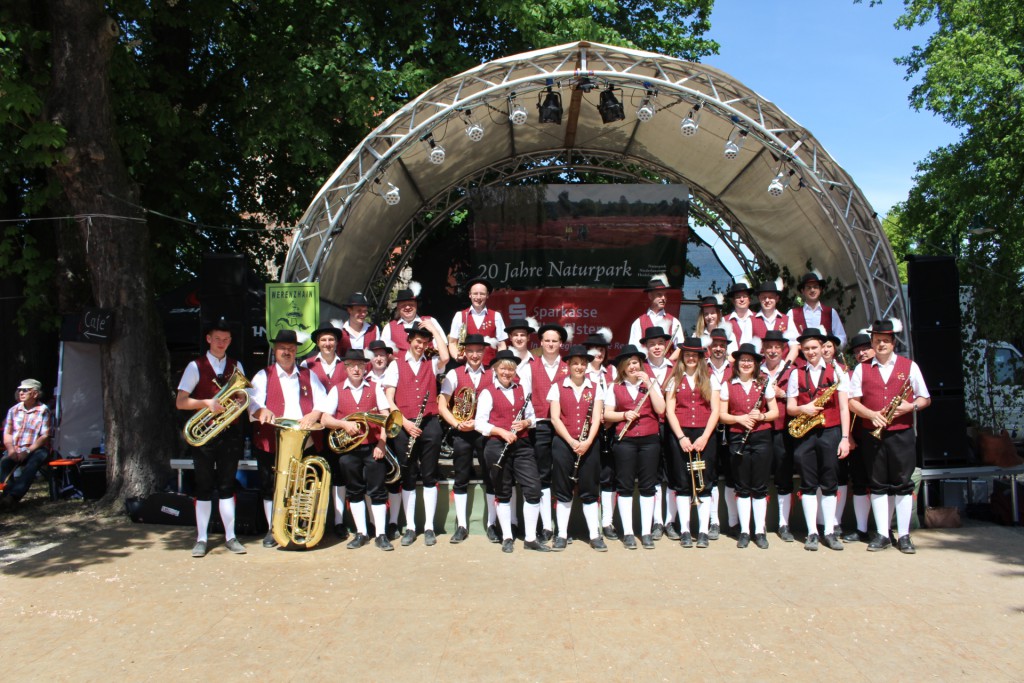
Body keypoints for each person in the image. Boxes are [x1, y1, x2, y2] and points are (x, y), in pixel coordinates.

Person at [849, 318, 930, 553]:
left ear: (893, 342)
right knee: (878, 484)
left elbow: (925, 398)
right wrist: (871, 414)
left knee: (903, 484)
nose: (881, 344)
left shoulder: (909, 366)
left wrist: (910, 407)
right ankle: (883, 534)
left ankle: (904, 535)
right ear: (872, 343)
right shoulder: (861, 369)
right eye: (877, 341)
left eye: (885, 340)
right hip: (872, 434)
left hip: (901, 433)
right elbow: (853, 402)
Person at [248, 329, 328, 548]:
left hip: (303, 440)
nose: (287, 352)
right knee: (271, 487)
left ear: (296, 351)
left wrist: (314, 414)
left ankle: (298, 525)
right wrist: (261, 410)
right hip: (272, 440)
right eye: (283, 348)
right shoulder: (264, 375)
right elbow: (251, 401)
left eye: (291, 349)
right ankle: (273, 528)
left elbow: (324, 400)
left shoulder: (308, 374)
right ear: (275, 350)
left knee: (302, 487)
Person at [175, 318, 247, 557]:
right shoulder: (195, 366)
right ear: (208, 339)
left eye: (226, 340)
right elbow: (181, 402)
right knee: (204, 486)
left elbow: (243, 397)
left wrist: (237, 400)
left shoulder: (236, 366)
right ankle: (202, 538)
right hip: (205, 434)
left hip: (229, 434)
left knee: (227, 485)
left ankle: (231, 536)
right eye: (217, 339)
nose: (221, 343)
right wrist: (206, 403)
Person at [320, 350, 393, 551]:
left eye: (360, 365)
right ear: (345, 368)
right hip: (349, 450)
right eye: (351, 365)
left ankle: (381, 534)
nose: (356, 369)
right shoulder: (336, 390)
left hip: (373, 448)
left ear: (365, 367)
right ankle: (361, 533)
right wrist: (343, 425)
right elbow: (325, 419)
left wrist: (382, 444)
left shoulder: (376, 388)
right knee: (354, 491)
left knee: (377, 492)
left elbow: (387, 418)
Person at [476, 350, 547, 553]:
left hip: (522, 445)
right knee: (503, 491)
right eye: (503, 368)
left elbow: (533, 417)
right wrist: (500, 431)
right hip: (497, 445)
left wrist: (525, 422)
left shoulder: (522, 389)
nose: (507, 372)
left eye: (510, 368)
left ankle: (531, 537)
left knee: (533, 489)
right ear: (495, 369)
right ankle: (507, 536)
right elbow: (480, 423)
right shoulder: (488, 392)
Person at [787, 328, 851, 551]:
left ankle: (830, 531)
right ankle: (812, 532)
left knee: (830, 483)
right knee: (808, 484)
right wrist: (804, 408)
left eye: (815, 347)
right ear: (802, 351)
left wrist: (845, 438)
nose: (811, 352)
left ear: (823, 348)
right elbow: (790, 407)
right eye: (806, 349)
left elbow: (844, 407)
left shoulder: (838, 371)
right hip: (806, 432)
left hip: (830, 431)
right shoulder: (796, 373)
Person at [382, 321, 444, 547]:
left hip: (430, 424)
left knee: (429, 475)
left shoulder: (433, 362)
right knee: (408, 476)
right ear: (409, 341)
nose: (421, 345)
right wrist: (405, 423)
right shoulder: (396, 365)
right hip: (404, 424)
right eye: (418, 341)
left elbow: (445, 356)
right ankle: (410, 527)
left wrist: (434, 329)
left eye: (425, 342)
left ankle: (428, 527)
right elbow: (389, 399)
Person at [604, 344, 666, 549]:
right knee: (625, 485)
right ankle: (628, 532)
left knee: (648, 485)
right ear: (622, 366)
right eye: (629, 363)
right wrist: (624, 415)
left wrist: (649, 384)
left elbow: (661, 408)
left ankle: (646, 532)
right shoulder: (614, 386)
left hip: (650, 440)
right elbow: (607, 415)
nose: (632, 367)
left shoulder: (649, 383)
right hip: (625, 441)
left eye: (635, 363)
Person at [718, 341, 779, 549]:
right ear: (737, 363)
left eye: (749, 360)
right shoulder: (728, 385)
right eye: (742, 360)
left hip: (761, 437)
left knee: (760, 486)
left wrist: (761, 415)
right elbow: (722, 415)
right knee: (742, 486)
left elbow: (775, 412)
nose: (746, 363)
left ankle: (760, 531)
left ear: (755, 363)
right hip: (737, 437)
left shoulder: (764, 382)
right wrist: (740, 419)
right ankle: (744, 530)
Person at [548, 345, 606, 551]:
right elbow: (555, 418)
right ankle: (562, 534)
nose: (579, 367)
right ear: (568, 365)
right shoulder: (557, 386)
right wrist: (572, 442)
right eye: (575, 363)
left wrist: (588, 441)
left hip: (589, 444)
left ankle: (595, 535)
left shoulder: (596, 386)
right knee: (563, 488)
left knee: (590, 488)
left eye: (583, 363)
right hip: (564, 444)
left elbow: (597, 418)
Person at [438, 333, 494, 543]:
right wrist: (457, 423)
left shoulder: (493, 373)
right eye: (470, 351)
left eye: (478, 351)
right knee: (461, 477)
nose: (474, 355)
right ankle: (461, 525)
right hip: (461, 432)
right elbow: (442, 405)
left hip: (483, 432)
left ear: (484, 352)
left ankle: (491, 524)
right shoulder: (454, 373)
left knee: (490, 476)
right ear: (464, 353)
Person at [664, 337, 720, 548]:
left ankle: (703, 531)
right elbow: (670, 410)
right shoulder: (674, 379)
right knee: (682, 482)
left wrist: (705, 437)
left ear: (700, 357)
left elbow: (715, 410)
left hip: (704, 434)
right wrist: (680, 437)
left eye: (694, 354)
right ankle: (685, 529)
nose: (690, 357)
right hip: (681, 434)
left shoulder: (710, 378)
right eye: (687, 354)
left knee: (703, 482)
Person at [303, 320, 349, 540]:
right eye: (323, 340)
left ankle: (339, 521)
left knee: (339, 476)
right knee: (314, 475)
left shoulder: (346, 365)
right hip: (315, 431)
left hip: (340, 429)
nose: (328, 343)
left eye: (331, 339)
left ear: (337, 342)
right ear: (318, 343)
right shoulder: (307, 365)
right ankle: (313, 520)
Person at [529, 322, 570, 542]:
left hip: (564, 426)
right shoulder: (530, 365)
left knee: (562, 474)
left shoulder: (569, 367)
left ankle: (564, 528)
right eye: (547, 340)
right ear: (541, 342)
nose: (551, 344)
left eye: (555, 341)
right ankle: (546, 526)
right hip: (540, 425)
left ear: (561, 343)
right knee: (543, 475)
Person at [760, 330, 797, 542]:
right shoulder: (757, 369)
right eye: (769, 347)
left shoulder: (793, 371)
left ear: (783, 350)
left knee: (784, 478)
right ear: (763, 349)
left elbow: (800, 396)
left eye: (777, 347)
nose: (773, 351)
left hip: (784, 429)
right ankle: (760, 523)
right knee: (761, 478)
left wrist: (783, 395)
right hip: (762, 429)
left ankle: (784, 524)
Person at [640, 325, 675, 540]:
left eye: (660, 343)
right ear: (646, 347)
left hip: (671, 426)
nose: (657, 347)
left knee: (672, 474)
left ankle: (670, 521)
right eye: (652, 344)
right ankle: (656, 521)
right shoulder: (640, 368)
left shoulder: (676, 368)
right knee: (653, 475)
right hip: (650, 427)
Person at [583, 329, 619, 539]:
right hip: (588, 431)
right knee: (588, 477)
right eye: (594, 349)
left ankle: (607, 522)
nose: (598, 353)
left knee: (608, 476)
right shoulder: (581, 372)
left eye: (601, 350)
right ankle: (591, 524)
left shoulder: (611, 371)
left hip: (609, 430)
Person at [366, 338, 402, 538]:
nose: (379, 358)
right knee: (372, 481)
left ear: (388, 356)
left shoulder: (395, 373)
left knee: (395, 478)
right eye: (375, 355)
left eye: (382, 354)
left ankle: (394, 522)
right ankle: (373, 522)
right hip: (373, 435)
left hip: (394, 432)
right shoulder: (363, 377)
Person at [841, 331, 875, 543]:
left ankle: (884, 529)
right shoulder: (852, 374)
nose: (861, 353)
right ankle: (862, 529)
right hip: (859, 433)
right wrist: (849, 436)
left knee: (882, 483)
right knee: (860, 481)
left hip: (882, 433)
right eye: (857, 351)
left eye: (865, 349)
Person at [0, 379, 52, 512]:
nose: (21, 392)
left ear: (35, 394)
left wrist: (27, 451)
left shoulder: (43, 410)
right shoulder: (13, 410)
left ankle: (13, 497)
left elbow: (45, 436)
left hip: (35, 449)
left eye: (25, 390)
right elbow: (7, 433)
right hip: (15, 449)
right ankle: (7, 498)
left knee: (34, 462)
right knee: (4, 463)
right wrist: (11, 450)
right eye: (20, 390)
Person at [706, 327, 734, 537]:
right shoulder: (701, 368)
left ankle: (733, 521)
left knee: (733, 474)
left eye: (722, 345)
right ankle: (714, 520)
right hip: (709, 429)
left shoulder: (735, 368)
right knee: (712, 475)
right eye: (714, 345)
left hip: (732, 428)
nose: (718, 348)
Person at [380, 283, 450, 365]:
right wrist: (399, 364)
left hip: (427, 369)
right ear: (398, 307)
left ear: (416, 305)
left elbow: (443, 348)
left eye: (411, 304)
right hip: (400, 372)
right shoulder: (389, 327)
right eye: (404, 305)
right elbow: (384, 353)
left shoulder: (430, 321)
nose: (407, 307)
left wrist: (433, 330)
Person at [447, 278, 507, 366]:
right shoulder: (459, 316)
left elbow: (501, 344)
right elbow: (452, 342)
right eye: (475, 293)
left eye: (482, 294)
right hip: (466, 367)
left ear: (487, 295)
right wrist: (457, 356)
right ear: (470, 295)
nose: (478, 297)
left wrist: (500, 364)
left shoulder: (496, 316)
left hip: (490, 368)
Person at [627, 275, 684, 358]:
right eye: (659, 295)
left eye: (665, 295)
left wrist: (668, 362)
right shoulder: (638, 322)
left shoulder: (674, 321)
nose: (663, 298)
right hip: (645, 368)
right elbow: (633, 350)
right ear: (650, 296)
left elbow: (680, 348)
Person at [787, 271, 848, 348]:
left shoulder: (831, 312)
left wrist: (831, 347)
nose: (812, 290)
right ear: (802, 291)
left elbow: (841, 337)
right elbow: (789, 340)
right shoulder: (792, 313)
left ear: (820, 289)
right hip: (802, 358)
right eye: (808, 287)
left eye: (815, 287)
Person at [753, 278, 799, 363]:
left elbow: (794, 347)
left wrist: (784, 368)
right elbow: (747, 346)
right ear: (759, 298)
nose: (767, 300)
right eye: (764, 297)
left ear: (777, 299)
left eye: (770, 297)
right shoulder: (751, 320)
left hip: (783, 369)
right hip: (759, 371)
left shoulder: (787, 320)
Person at [724, 278, 756, 346]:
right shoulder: (724, 321)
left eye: (744, 296)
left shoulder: (758, 318)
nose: (742, 300)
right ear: (733, 300)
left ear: (749, 299)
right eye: (738, 297)